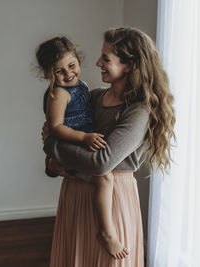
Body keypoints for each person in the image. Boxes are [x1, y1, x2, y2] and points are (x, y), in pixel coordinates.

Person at [42, 27, 175, 267]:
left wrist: (51, 143)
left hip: (113, 200)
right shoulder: (92, 98)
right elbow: (57, 150)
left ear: (129, 65)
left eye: (106, 58)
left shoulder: (138, 111)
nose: (97, 62)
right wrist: (52, 162)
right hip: (75, 196)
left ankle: (107, 232)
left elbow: (101, 162)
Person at [36, 36, 129, 259]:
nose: (68, 74)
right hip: (72, 143)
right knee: (105, 178)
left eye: (71, 65)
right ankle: (106, 231)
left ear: (78, 60)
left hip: (83, 141)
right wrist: (84, 138)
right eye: (59, 71)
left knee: (102, 178)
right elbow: (55, 127)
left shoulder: (84, 87)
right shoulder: (58, 93)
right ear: (49, 74)